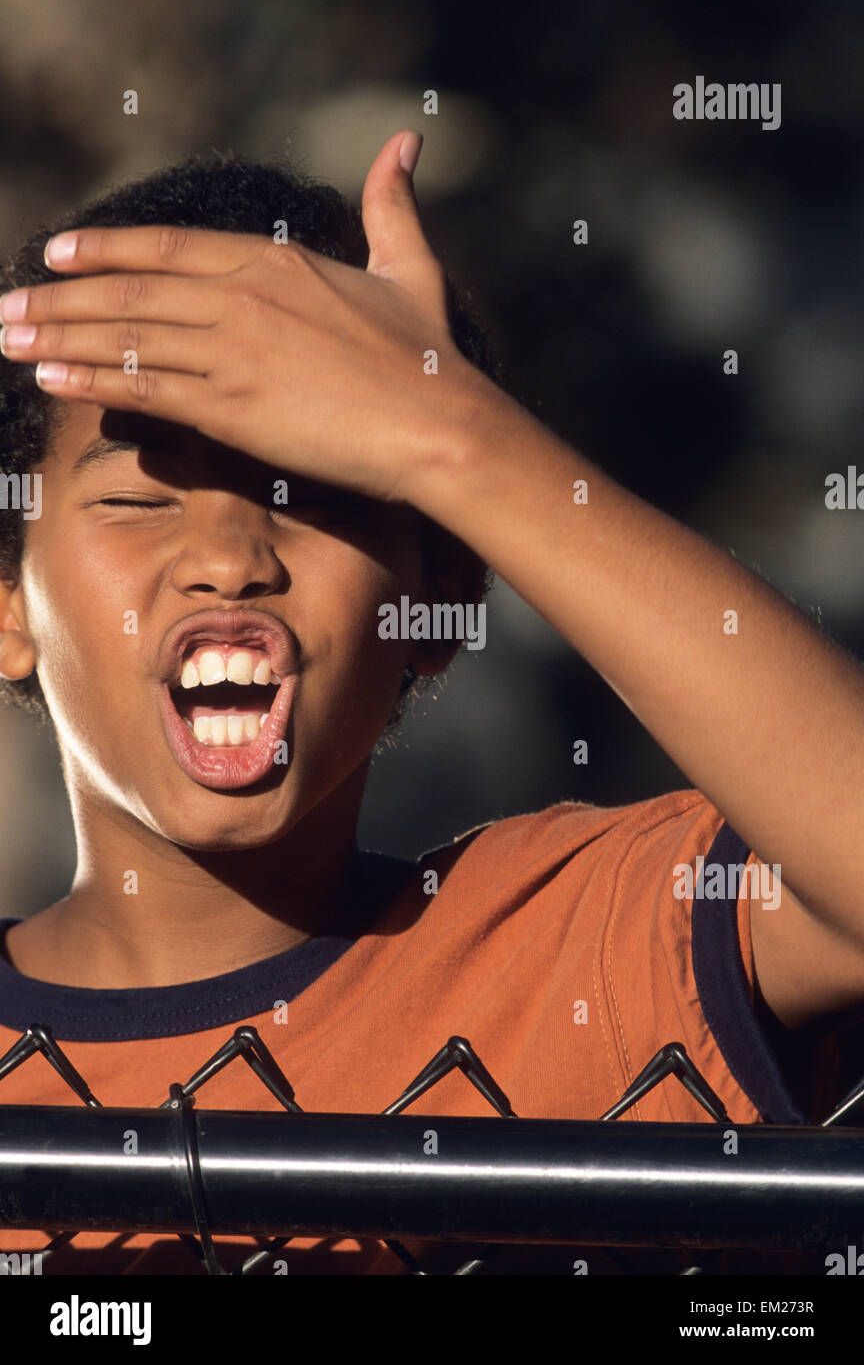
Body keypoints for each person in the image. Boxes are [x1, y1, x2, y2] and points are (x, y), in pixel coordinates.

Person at [0, 129, 860, 1275]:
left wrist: (451, 438)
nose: (229, 555)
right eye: (143, 500)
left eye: (320, 490)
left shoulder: (568, 949)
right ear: (9, 603)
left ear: (442, 598)